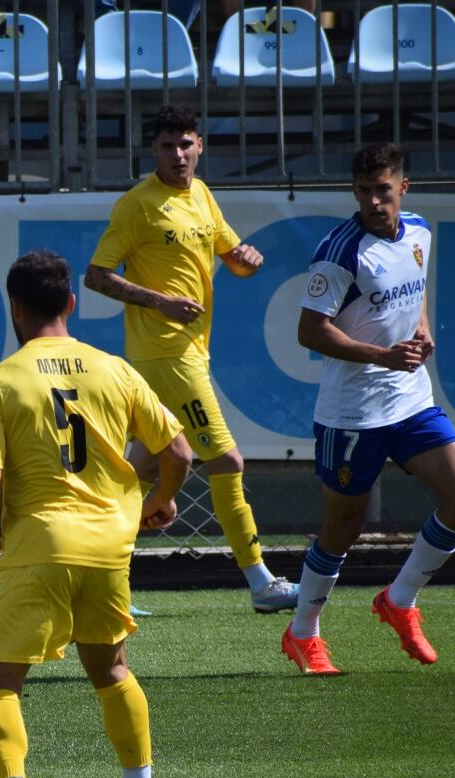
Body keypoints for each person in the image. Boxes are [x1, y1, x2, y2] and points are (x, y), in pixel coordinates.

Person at [0, 250, 192, 778]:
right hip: (109, 547)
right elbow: (180, 453)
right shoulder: (113, 369)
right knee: (112, 669)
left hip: (39, 543)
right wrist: (160, 500)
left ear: (14, 307)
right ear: (70, 303)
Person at [86, 103, 299, 613]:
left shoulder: (202, 195)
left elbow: (232, 257)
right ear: (152, 150)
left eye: (186, 144)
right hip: (165, 354)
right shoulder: (138, 205)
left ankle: (101, 584)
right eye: (167, 146)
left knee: (135, 465)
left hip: (189, 352)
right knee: (225, 459)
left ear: (200, 145)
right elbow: (97, 275)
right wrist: (160, 302)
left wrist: (248, 261)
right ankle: (260, 581)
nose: (178, 154)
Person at [281, 143, 455, 675]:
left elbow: (411, 289)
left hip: (411, 400)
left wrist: (421, 330)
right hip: (352, 413)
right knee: (342, 528)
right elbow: (310, 331)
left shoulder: (419, 230)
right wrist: (381, 356)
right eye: (364, 190)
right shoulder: (340, 252)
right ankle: (303, 633)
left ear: (403, 188)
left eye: (383, 190)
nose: (374, 200)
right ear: (354, 191)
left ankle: (399, 600)